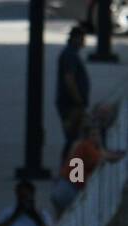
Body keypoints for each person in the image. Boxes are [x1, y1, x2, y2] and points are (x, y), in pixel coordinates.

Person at [57, 26, 91, 159]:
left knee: (73, 137)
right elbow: (69, 80)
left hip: (71, 103)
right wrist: (78, 100)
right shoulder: (70, 55)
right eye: (82, 39)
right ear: (76, 39)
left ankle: (70, 171)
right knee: (73, 138)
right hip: (71, 104)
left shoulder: (71, 54)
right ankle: (69, 172)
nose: (84, 42)